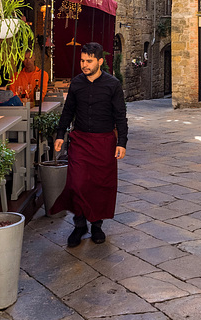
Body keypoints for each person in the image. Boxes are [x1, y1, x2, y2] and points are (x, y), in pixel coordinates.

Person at [50, 42, 128, 248]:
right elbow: (68, 111)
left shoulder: (113, 85)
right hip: (80, 140)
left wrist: (122, 143)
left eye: (89, 61)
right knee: (77, 183)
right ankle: (79, 225)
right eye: (82, 60)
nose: (84, 65)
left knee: (100, 186)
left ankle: (96, 225)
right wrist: (60, 135)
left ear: (100, 61)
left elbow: (121, 116)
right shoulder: (76, 83)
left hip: (104, 142)